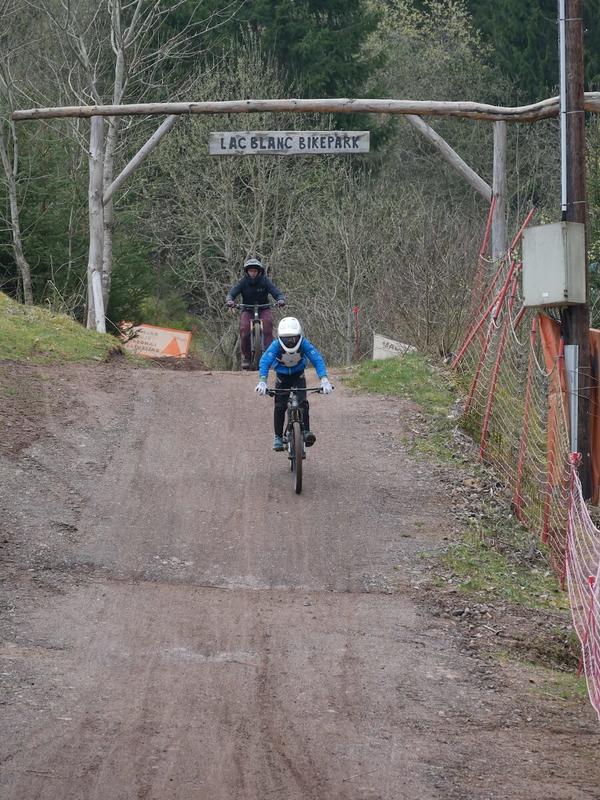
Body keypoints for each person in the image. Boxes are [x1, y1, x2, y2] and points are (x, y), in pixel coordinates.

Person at [255, 317, 333, 451]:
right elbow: (265, 361)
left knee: (303, 402)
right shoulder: (276, 346)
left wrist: (324, 379)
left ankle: (306, 431)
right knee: (280, 405)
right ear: (280, 337)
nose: (290, 341)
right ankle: (278, 437)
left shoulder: (304, 343)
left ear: (299, 335)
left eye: (293, 338)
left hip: (298, 374)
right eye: (286, 338)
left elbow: (317, 359)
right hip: (282, 376)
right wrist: (262, 381)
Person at [226, 257, 286, 369]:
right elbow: (232, 293)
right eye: (250, 271)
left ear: (259, 271)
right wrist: (230, 300)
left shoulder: (265, 281)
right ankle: (247, 357)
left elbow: (275, 291)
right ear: (247, 272)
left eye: (255, 271)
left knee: (268, 327)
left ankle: (270, 356)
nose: (253, 273)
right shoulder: (243, 282)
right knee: (244, 330)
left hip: (264, 308)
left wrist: (280, 299)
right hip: (247, 309)